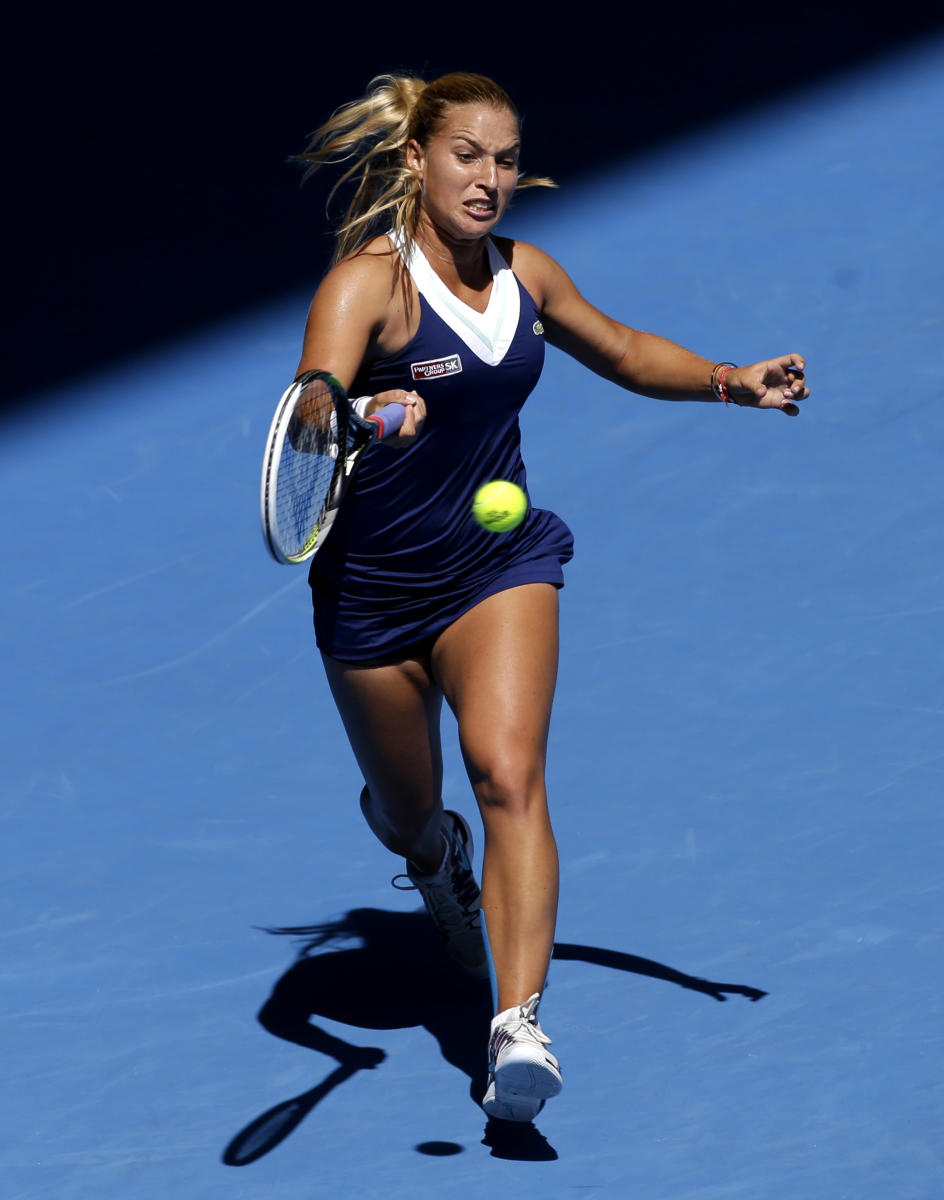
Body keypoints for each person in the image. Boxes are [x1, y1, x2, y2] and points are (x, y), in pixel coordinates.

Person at [289, 71, 808, 1123]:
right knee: (407, 813)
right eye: (467, 156)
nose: (489, 179)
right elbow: (309, 405)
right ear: (416, 162)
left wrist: (727, 378)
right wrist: (352, 410)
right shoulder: (366, 288)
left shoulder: (529, 274)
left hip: (496, 569)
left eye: (506, 158)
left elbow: (618, 349)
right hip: (372, 602)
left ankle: (515, 1027)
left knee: (509, 772)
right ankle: (436, 860)